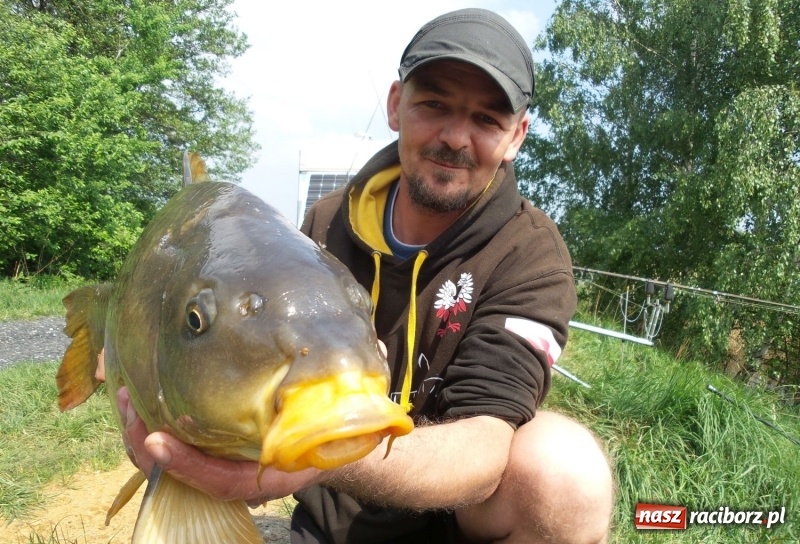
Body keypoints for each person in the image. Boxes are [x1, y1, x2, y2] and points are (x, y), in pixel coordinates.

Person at [119, 8, 613, 543]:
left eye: (487, 120)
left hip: (457, 530)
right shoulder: (324, 224)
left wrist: (322, 455)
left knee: (566, 472)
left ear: (517, 135)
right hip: (329, 529)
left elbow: (487, 445)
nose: (455, 137)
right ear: (397, 104)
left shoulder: (529, 254)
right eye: (435, 104)